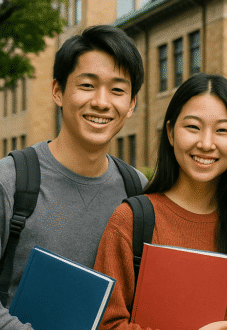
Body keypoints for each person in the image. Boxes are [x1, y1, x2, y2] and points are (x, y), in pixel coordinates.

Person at [94, 73, 227, 330]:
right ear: (171, 133)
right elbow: (105, 324)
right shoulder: (131, 221)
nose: (206, 143)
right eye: (193, 127)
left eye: (222, 130)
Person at [0, 25, 147, 328]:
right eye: (88, 85)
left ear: (131, 104)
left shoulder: (139, 192)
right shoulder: (11, 181)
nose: (102, 102)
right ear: (58, 91)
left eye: (118, 90)